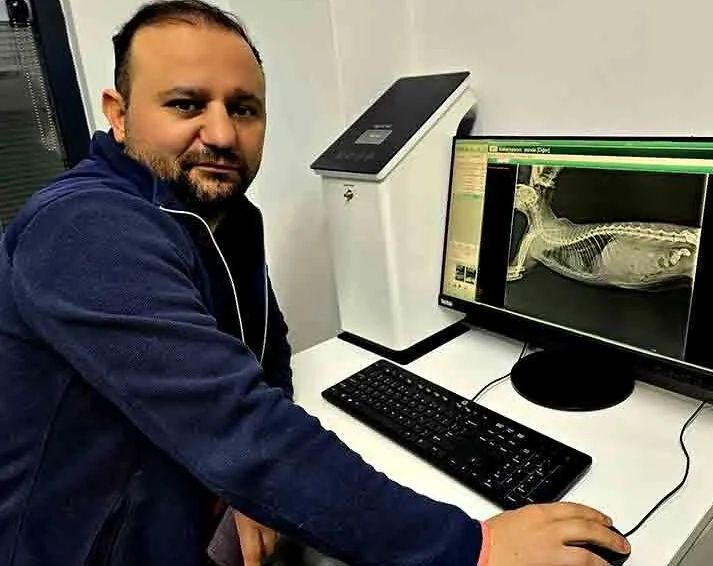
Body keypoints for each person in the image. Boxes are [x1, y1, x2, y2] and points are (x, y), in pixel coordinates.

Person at [0, 1, 630, 565]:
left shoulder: (227, 218)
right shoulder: (84, 228)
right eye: (186, 104)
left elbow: (265, 357)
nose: (221, 134)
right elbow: (237, 427)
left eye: (243, 108)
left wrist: (245, 486)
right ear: (118, 113)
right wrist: (473, 549)